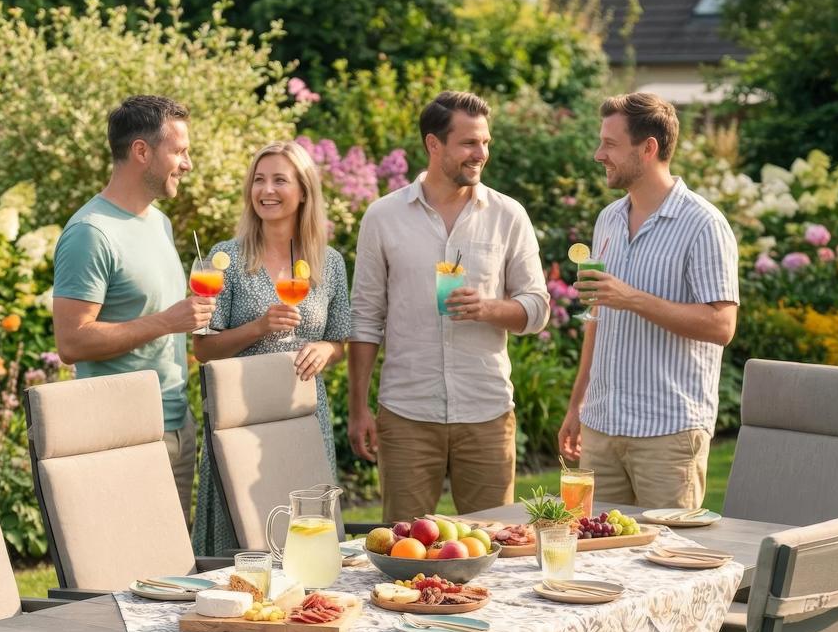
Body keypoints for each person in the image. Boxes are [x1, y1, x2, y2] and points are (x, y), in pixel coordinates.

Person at [348, 90, 549, 523]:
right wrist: (359, 407)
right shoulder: (382, 217)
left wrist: (489, 309)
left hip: (487, 412)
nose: (481, 153)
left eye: (486, 142)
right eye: (469, 143)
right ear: (433, 145)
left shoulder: (508, 215)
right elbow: (365, 317)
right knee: (401, 549)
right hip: (407, 414)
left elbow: (538, 308)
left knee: (497, 546)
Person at [559, 92, 739, 509]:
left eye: (610, 144)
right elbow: (596, 316)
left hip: (668, 434)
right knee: (591, 557)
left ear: (649, 148)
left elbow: (722, 326)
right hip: (601, 429)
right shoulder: (608, 219)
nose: (597, 153)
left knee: (667, 562)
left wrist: (634, 299)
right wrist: (577, 404)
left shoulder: (704, 225)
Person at [53, 94, 212, 525]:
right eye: (179, 151)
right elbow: (71, 341)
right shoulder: (90, 233)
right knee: (125, 574)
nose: (187, 163)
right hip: (120, 432)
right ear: (142, 151)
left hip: (174, 425)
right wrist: (167, 321)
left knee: (172, 571)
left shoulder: (158, 221)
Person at [191, 141, 352, 556]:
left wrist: (325, 350)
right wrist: (259, 327)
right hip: (241, 417)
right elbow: (204, 349)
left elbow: (339, 340)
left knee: (305, 527)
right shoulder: (226, 257)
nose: (267, 190)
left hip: (304, 413)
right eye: (259, 180)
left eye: (280, 180)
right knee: (243, 534)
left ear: (303, 191)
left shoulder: (328, 261)